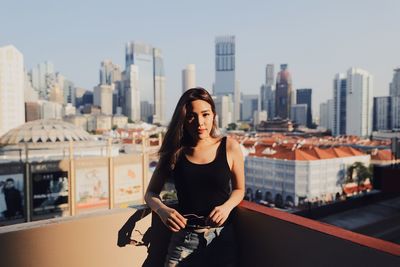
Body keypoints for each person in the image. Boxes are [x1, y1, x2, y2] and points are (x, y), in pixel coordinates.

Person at [145, 88, 245, 266]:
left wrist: (226, 207)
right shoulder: (174, 152)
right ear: (183, 119)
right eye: (192, 116)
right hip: (184, 241)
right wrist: (162, 210)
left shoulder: (229, 147)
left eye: (205, 114)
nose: (200, 122)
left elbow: (239, 189)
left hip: (222, 239)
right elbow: (150, 193)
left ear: (214, 115)